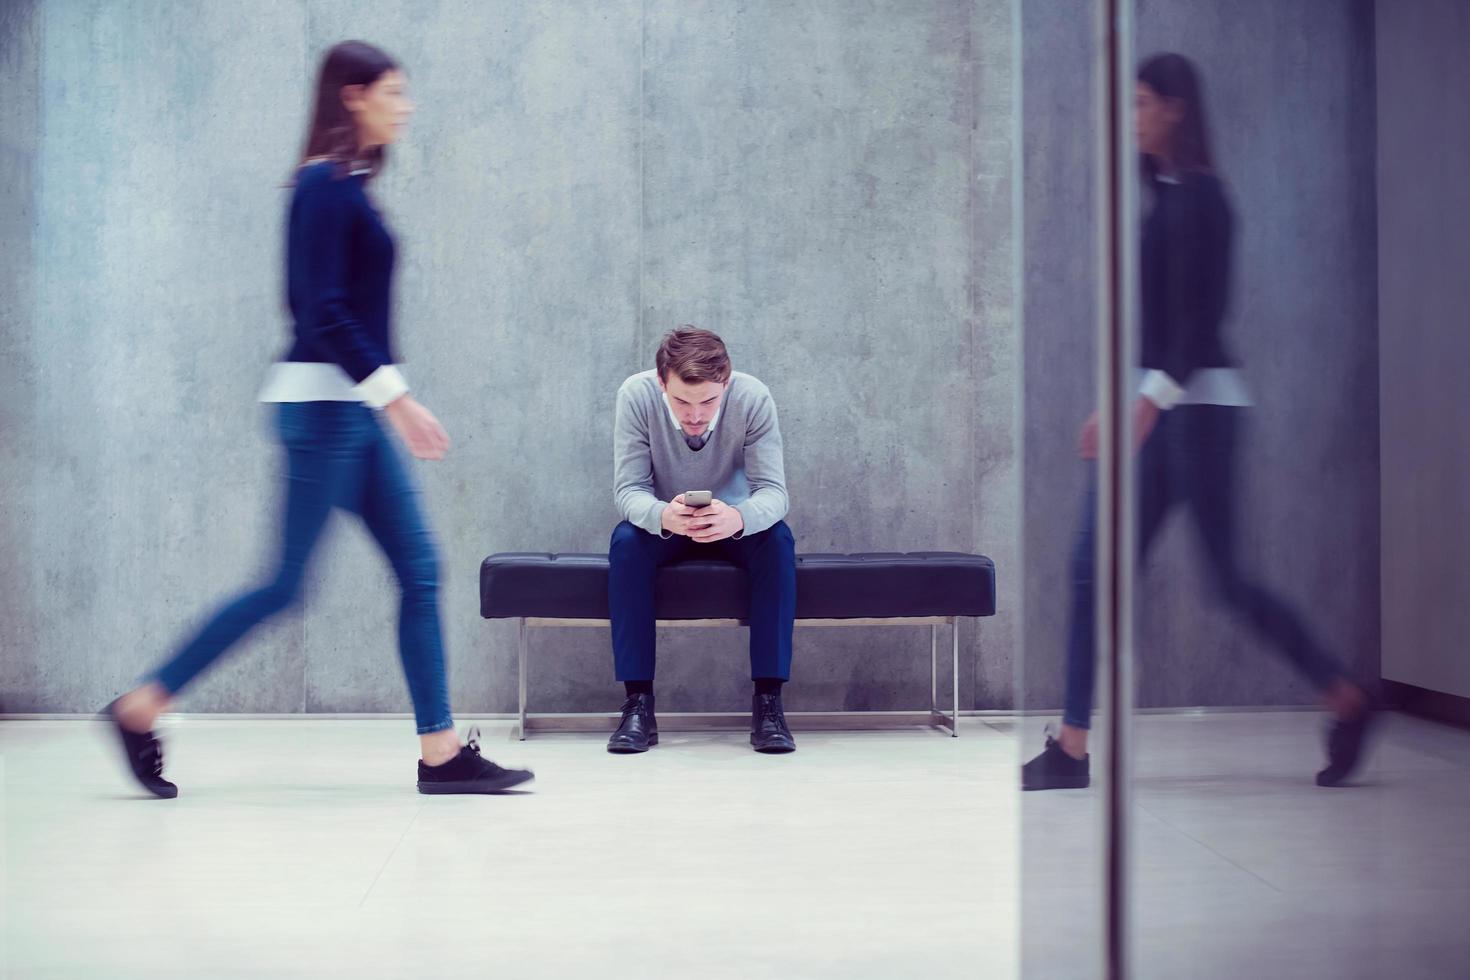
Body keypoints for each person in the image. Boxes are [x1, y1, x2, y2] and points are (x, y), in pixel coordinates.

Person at [101, 40, 532, 798]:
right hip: (325, 408)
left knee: (420, 570)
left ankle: (440, 753)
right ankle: (140, 707)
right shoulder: (322, 187)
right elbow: (319, 308)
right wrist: (398, 400)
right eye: (393, 92)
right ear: (352, 96)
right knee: (284, 585)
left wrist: (382, 400)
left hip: (350, 408)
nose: (407, 106)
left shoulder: (350, 186)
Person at [1022, 53, 1374, 791]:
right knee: (1094, 569)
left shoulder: (1208, 201)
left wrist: (1143, 406)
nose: (1134, 117)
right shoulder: (1168, 196)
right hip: (1157, 408)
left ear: (1178, 107)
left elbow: (1200, 324)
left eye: (1143, 102)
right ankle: (1072, 749)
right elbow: (1156, 328)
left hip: (1201, 412)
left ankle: (1346, 696)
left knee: (1227, 581)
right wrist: (1123, 398)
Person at [606, 326, 798, 754]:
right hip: (668, 523)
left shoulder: (752, 397)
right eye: (682, 402)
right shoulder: (636, 395)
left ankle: (769, 704)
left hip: (733, 522)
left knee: (778, 542)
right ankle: (637, 704)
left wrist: (737, 517)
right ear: (662, 383)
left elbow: (774, 492)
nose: (695, 415)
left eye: (709, 401)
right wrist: (662, 515)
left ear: (725, 383)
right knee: (626, 544)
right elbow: (628, 490)